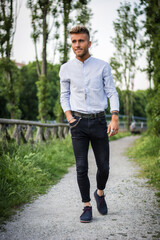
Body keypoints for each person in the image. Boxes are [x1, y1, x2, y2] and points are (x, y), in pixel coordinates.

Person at [59, 26, 119, 223]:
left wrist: (114, 116)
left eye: (81, 41)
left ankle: (99, 193)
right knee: (81, 167)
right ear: (71, 44)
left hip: (99, 121)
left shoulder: (102, 66)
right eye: (74, 41)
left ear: (89, 43)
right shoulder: (66, 68)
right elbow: (64, 95)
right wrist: (69, 117)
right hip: (78, 124)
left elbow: (111, 92)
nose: (77, 45)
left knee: (104, 167)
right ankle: (86, 206)